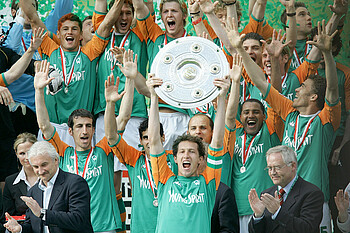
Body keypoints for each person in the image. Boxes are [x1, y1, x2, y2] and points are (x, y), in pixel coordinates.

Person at [227, 18, 340, 233]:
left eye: (302, 87)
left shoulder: (326, 118)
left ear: (314, 96)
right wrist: (240, 50)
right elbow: (261, 82)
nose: (296, 90)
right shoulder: (289, 113)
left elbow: (333, 89)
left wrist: (326, 54)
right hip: (284, 197)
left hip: (314, 198)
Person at [34, 60, 129, 232]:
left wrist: (111, 102)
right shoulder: (63, 153)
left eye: (88, 126)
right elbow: (44, 125)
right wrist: (39, 90)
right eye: (79, 126)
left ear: (93, 129)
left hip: (104, 227)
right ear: (70, 131)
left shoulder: (104, 150)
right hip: (73, 227)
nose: (84, 131)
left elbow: (122, 120)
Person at [20, 0, 124, 146]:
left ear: (81, 35)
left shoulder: (90, 53)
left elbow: (106, 24)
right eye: (65, 29)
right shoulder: (49, 49)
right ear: (58, 33)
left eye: (74, 29)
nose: (70, 32)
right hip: (52, 127)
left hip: (81, 130)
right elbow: (32, 17)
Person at [147, 70, 229, 232]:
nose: (186, 155)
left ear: (200, 159)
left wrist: (221, 97)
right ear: (175, 158)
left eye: (192, 152)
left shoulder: (208, 182)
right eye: (182, 152)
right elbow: (154, 140)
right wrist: (154, 96)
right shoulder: (164, 179)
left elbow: (217, 140)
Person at [3, 141, 93, 233]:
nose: (40, 171)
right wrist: (20, 229)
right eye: (36, 167)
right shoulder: (34, 191)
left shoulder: (75, 183)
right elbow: (33, 226)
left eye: (44, 165)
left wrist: (42, 213)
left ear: (56, 160)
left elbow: (78, 220)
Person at [248, 145, 324, 232]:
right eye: (270, 168)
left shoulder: (311, 193)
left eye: (277, 167)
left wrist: (278, 212)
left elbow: (307, 229)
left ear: (293, 166)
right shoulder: (267, 194)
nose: (273, 172)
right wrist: (258, 216)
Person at [0, 133, 37, 233]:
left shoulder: (47, 176)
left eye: (30, 152)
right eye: (22, 153)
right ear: (16, 154)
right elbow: (7, 215)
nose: (26, 157)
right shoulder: (10, 181)